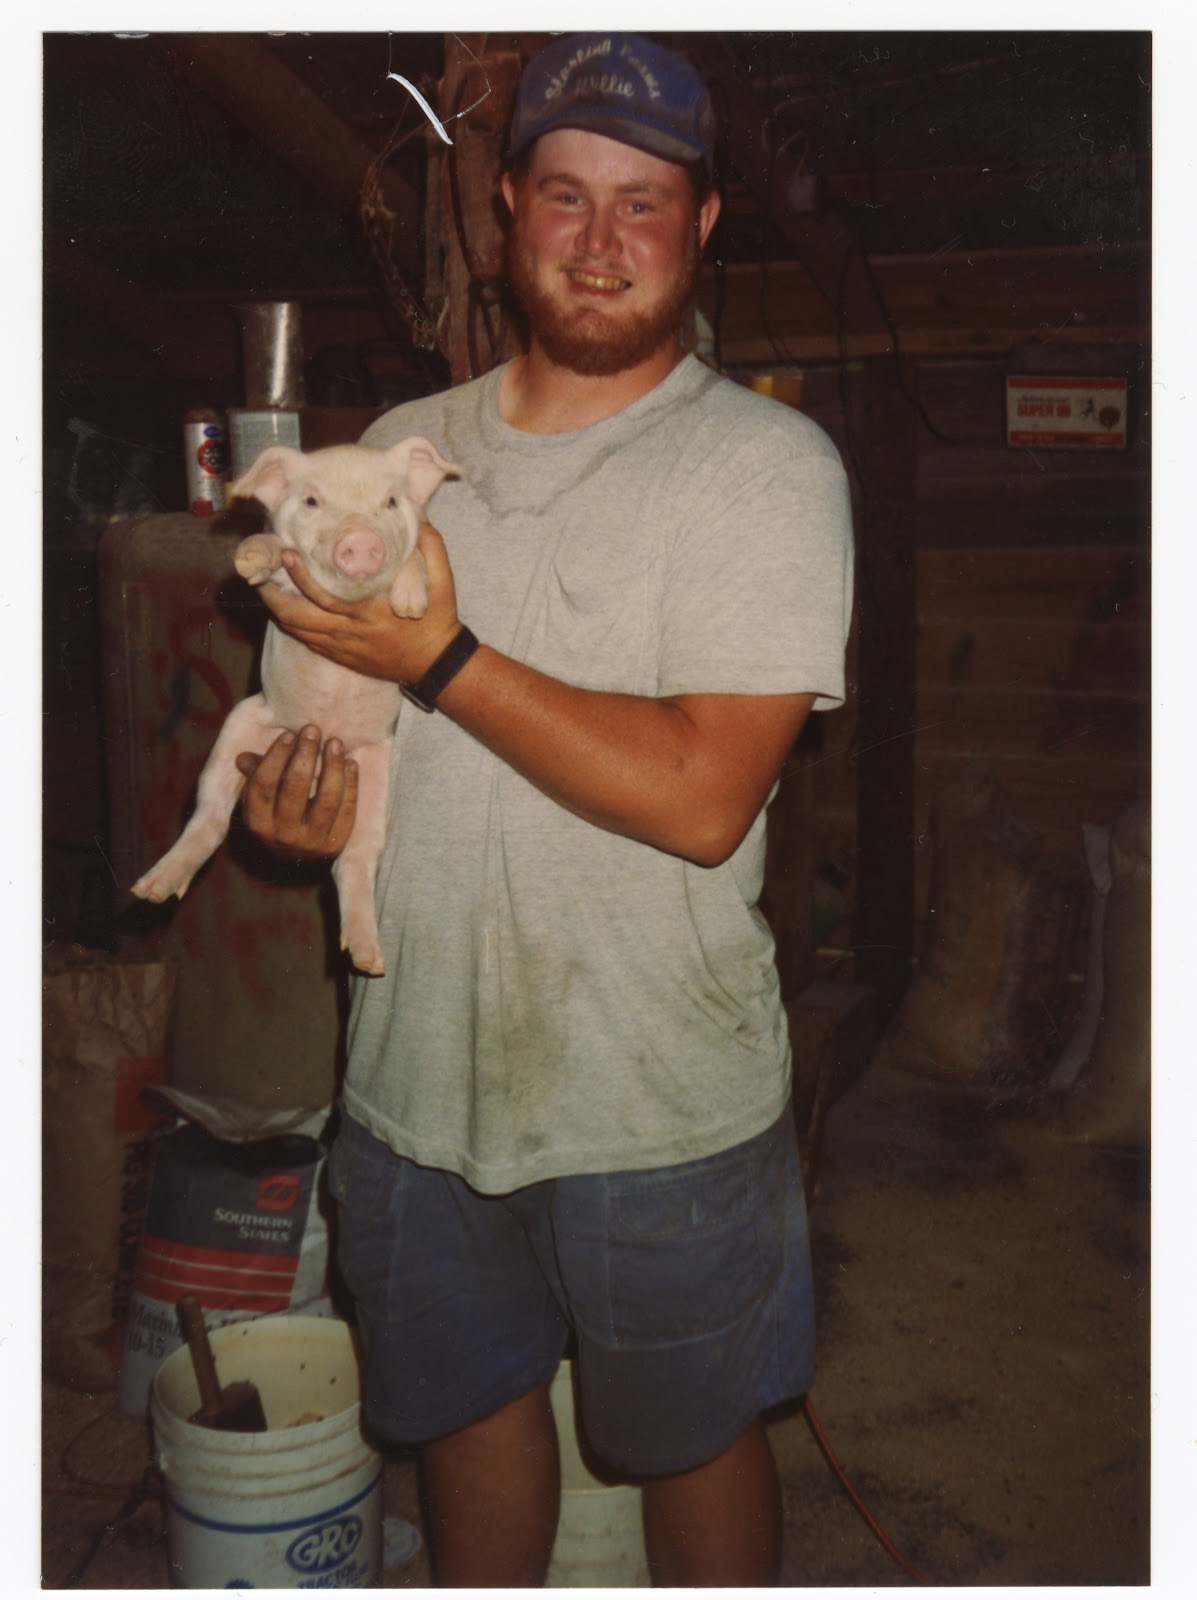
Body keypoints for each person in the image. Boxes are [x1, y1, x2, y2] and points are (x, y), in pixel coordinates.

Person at [235, 32, 854, 1587]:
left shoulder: (763, 467)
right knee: (462, 1417)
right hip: (415, 1081)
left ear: (702, 222)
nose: (599, 242)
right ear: (503, 212)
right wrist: (292, 816)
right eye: (564, 197)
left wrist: (438, 655)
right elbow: (335, 731)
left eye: (642, 203)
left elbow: (706, 798)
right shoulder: (393, 467)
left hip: (659, 1088)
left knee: (691, 1438)